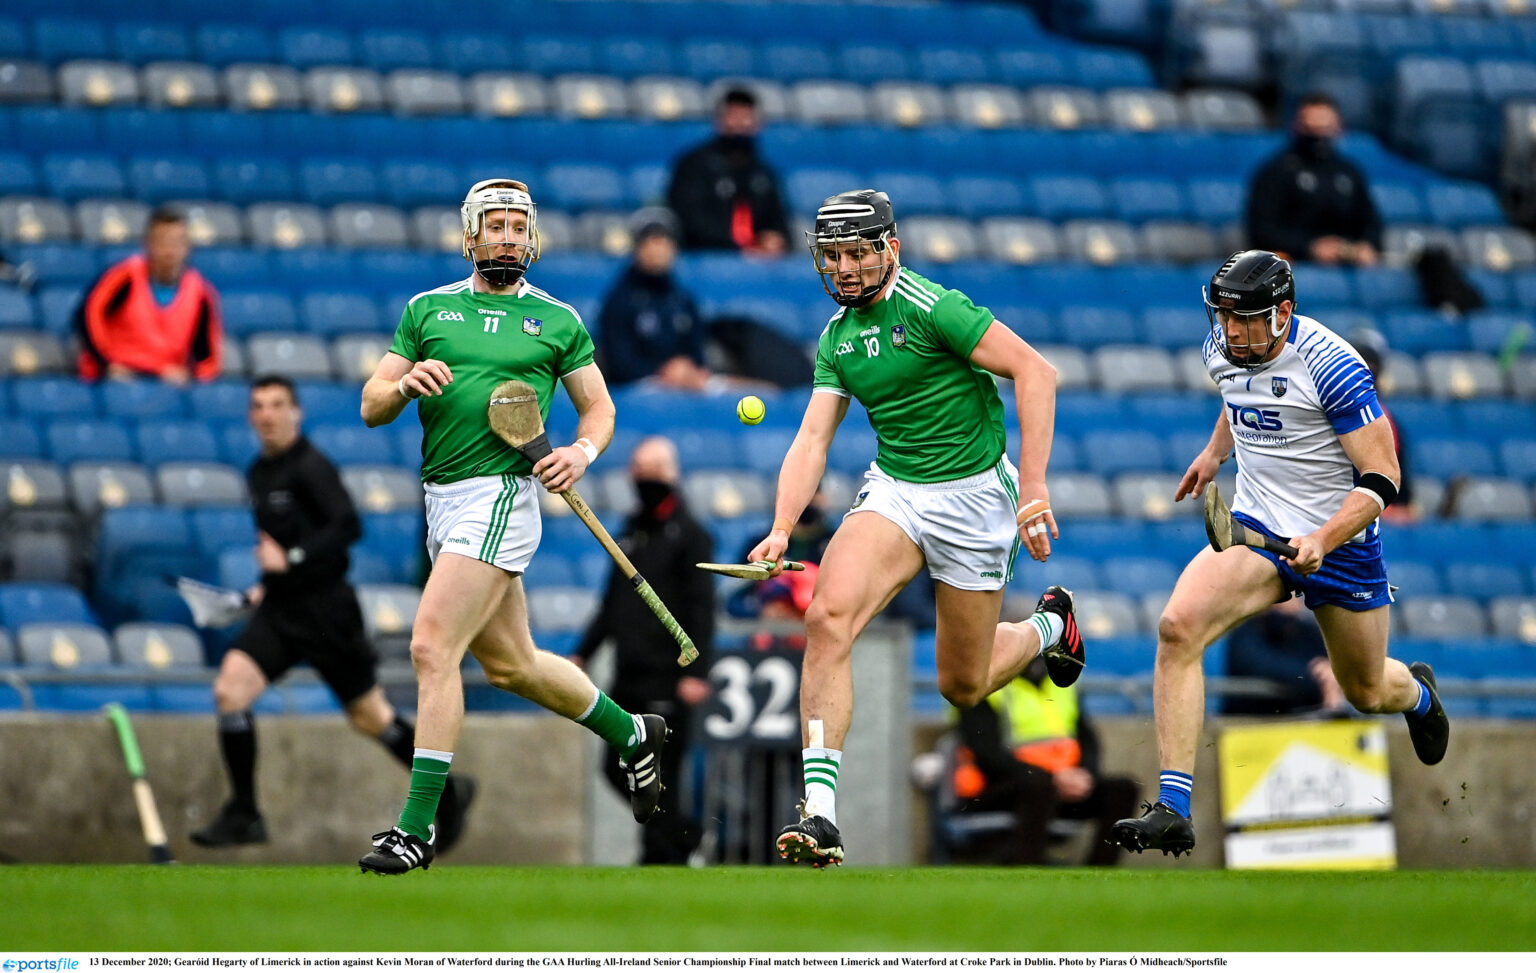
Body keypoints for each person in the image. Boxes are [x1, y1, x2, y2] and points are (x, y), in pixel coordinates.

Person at [747, 189, 1086, 867]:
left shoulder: (934, 307)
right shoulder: (837, 338)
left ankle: (1051, 627)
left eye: (855, 252)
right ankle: (821, 816)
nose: (843, 267)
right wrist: (782, 526)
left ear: (889, 249)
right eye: (832, 255)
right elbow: (813, 438)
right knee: (827, 616)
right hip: (898, 490)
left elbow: (1036, 371)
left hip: (976, 498)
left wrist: (1036, 486)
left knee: (962, 684)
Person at [355, 178, 672, 875]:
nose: (506, 236)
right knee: (511, 665)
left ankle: (416, 828)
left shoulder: (557, 321)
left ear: (532, 238)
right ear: (470, 236)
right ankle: (632, 732)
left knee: (432, 646)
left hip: (501, 496)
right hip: (440, 500)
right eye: (494, 225)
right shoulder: (426, 310)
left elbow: (600, 411)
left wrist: (579, 454)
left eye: (516, 226)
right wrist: (402, 386)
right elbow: (371, 402)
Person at [1111, 250, 1450, 858]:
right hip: (1260, 528)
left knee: (1366, 691)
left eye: (1245, 320)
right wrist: (1215, 453)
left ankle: (1419, 693)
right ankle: (1173, 807)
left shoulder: (1333, 367)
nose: (1231, 331)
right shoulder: (1225, 342)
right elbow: (1235, 396)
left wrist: (1324, 538)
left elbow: (1383, 477)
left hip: (1340, 544)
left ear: (1284, 312)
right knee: (1177, 627)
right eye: (1225, 318)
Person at [190, 375, 475, 854]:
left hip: (327, 613)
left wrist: (295, 560)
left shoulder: (311, 467)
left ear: (295, 413)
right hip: (283, 610)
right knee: (229, 691)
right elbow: (279, 549)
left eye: (278, 405)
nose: (268, 415)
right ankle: (245, 811)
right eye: (259, 406)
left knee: (371, 717)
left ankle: (448, 792)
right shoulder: (258, 472)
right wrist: (269, 585)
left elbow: (347, 526)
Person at [571, 436, 715, 864]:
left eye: (650, 473)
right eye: (637, 473)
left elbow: (703, 608)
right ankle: (687, 835)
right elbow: (610, 603)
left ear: (670, 475)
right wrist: (583, 652)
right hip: (627, 673)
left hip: (669, 676)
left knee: (662, 775)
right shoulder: (630, 531)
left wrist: (697, 672)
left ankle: (659, 858)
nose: (642, 481)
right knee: (616, 770)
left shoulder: (691, 536)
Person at [951, 655, 1139, 866]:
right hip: (996, 789)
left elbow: (1087, 740)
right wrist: (1054, 777)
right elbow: (987, 754)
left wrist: (1085, 775)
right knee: (1039, 785)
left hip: (1059, 787)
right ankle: (1026, 868)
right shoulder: (983, 686)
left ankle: (1100, 874)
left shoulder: (1064, 684)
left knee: (1123, 789)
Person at [75, 206, 222, 383]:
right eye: (162, 241)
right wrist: (106, 365)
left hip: (167, 382)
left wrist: (189, 377)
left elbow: (207, 358)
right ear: (147, 244)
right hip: (117, 376)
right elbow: (86, 317)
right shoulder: (124, 277)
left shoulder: (201, 293)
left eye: (177, 242)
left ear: (188, 247)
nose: (170, 250)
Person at [1245, 93, 1382, 268]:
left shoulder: (1349, 172)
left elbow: (1371, 222)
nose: (1318, 136)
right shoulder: (1276, 171)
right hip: (1295, 264)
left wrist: (1366, 246)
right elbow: (1262, 230)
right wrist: (1309, 247)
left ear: (1339, 128)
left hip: (1347, 262)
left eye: (1325, 128)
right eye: (1311, 128)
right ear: (1296, 127)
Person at [666, 87, 790, 256]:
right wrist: (737, 247)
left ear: (758, 124)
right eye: (733, 116)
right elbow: (689, 220)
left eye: (746, 117)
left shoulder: (763, 173)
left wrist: (774, 240)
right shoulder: (694, 165)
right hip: (705, 258)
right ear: (719, 121)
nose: (739, 124)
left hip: (758, 264)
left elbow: (778, 219)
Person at [597, 214, 712, 390]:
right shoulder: (620, 300)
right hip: (639, 386)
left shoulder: (683, 298)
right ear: (637, 249)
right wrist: (663, 372)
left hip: (686, 381)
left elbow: (698, 351)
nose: (658, 250)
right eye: (650, 242)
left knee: (743, 389)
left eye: (664, 242)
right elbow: (620, 363)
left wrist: (690, 370)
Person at [1220, 595, 1346, 716]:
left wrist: (1331, 673)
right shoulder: (1245, 631)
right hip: (1251, 723)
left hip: (1305, 723)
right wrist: (1318, 675)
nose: (1280, 602)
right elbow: (1259, 666)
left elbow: (1332, 666)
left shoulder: (1309, 633)